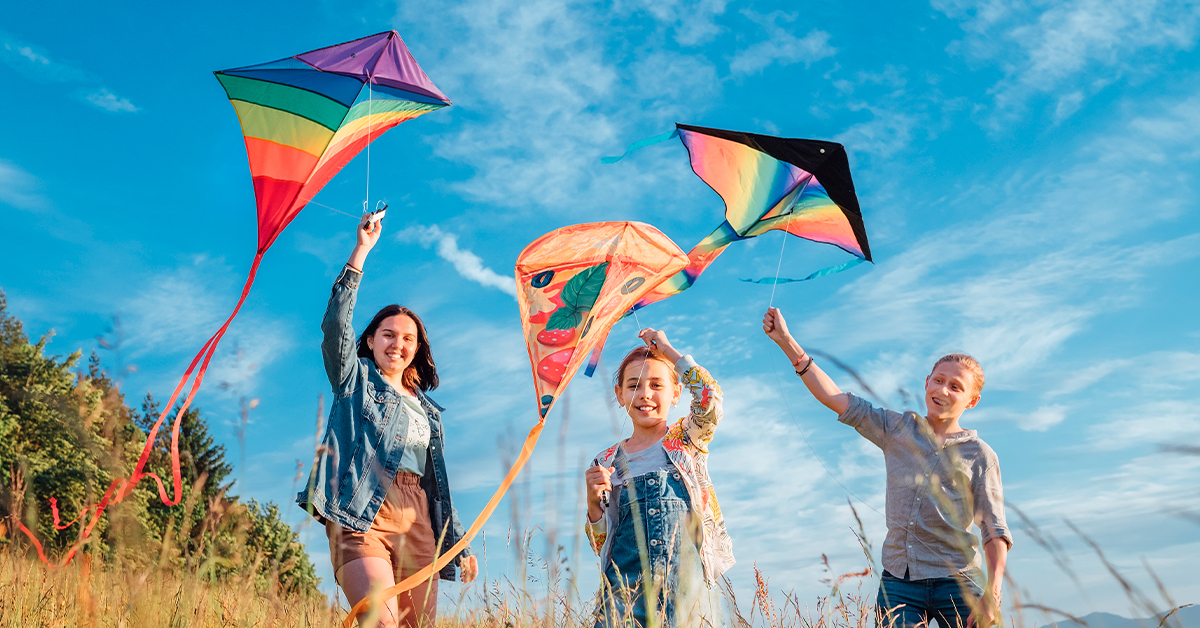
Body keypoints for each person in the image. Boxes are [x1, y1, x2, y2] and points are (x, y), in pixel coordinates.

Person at [761, 307, 1011, 628]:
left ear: (971, 401)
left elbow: (995, 531)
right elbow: (834, 397)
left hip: (959, 581)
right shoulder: (896, 428)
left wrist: (993, 591)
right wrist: (785, 340)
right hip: (900, 582)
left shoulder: (980, 455)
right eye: (939, 380)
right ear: (926, 383)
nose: (943, 390)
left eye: (956, 387)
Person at [297, 215, 478, 628]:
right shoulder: (353, 378)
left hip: (418, 520)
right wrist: (360, 252)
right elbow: (334, 328)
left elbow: (437, 485)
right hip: (362, 509)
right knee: (379, 621)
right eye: (388, 334)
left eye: (407, 338)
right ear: (371, 340)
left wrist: (459, 544)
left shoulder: (428, 411)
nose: (397, 344)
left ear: (417, 349)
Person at [585, 329, 733, 628]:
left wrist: (669, 352)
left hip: (687, 589)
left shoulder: (687, 439)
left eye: (656, 385)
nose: (645, 394)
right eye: (634, 386)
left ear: (676, 392)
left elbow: (710, 397)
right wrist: (592, 504)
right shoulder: (607, 460)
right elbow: (601, 543)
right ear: (620, 394)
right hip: (624, 592)